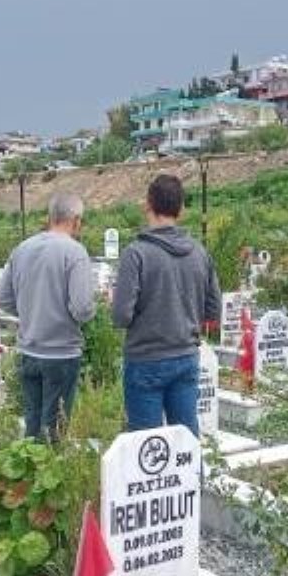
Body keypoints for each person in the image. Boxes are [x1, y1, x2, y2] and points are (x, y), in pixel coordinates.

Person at [112, 175, 221, 434]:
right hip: (186, 356)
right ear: (181, 210)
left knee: (147, 445)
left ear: (147, 204)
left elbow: (121, 317)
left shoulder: (136, 254)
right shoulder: (199, 252)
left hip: (145, 360)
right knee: (186, 439)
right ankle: (195, 476)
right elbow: (214, 310)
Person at [0, 192, 96, 442]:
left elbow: (3, 299)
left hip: (29, 350)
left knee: (32, 423)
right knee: (54, 430)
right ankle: (49, 477)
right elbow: (82, 308)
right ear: (76, 220)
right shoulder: (75, 252)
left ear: (50, 217)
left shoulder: (22, 248)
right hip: (61, 353)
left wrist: (33, 311)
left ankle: (28, 475)